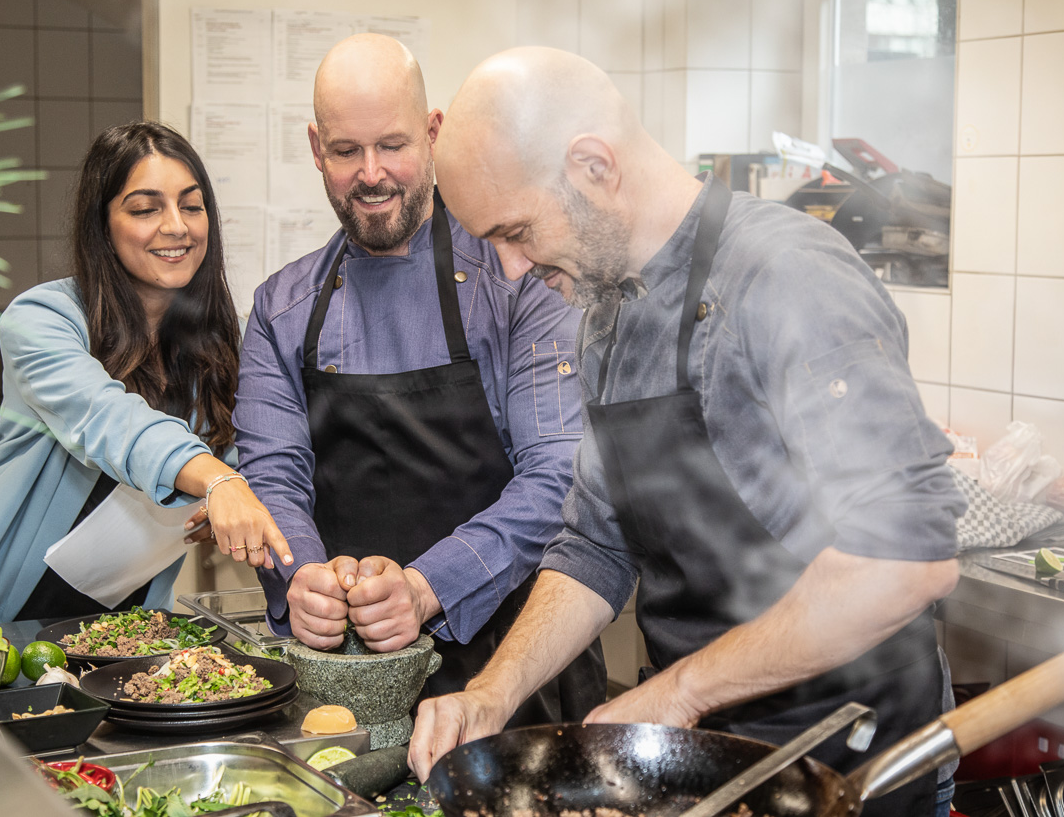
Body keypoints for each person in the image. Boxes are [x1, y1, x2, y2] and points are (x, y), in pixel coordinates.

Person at [407, 48, 966, 817]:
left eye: (516, 231)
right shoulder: (604, 309)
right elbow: (595, 544)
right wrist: (492, 693)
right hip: (704, 769)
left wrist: (681, 690)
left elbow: (907, 562)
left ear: (594, 166)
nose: (508, 270)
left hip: (848, 763)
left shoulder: (787, 277)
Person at [233, 34, 606, 722]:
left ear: (432, 134)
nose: (372, 174)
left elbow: (559, 478)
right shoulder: (280, 310)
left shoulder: (521, 280)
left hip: (517, 675)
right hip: (347, 692)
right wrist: (302, 579)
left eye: (393, 145)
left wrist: (428, 585)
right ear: (317, 148)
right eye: (346, 151)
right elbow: (273, 480)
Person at [0, 121, 291, 631]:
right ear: (102, 225)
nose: (176, 226)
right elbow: (107, 418)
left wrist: (236, 497)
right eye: (146, 209)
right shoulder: (41, 320)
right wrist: (216, 480)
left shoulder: (221, 343)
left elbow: (258, 455)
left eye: (191, 206)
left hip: (116, 631)